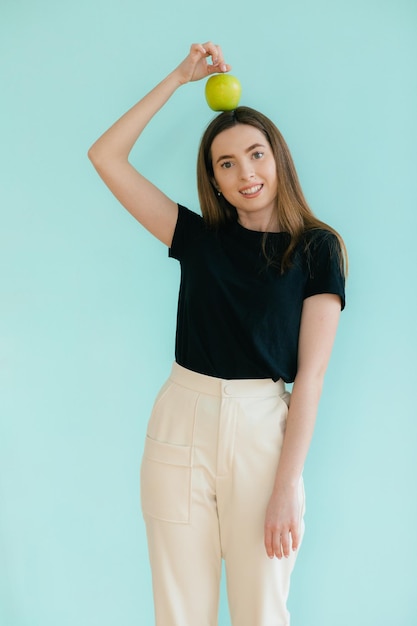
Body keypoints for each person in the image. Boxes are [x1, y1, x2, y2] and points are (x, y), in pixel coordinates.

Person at [88, 41, 346, 626]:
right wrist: (179, 77)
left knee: (261, 613)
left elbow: (313, 376)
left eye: (256, 154)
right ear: (215, 179)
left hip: (263, 433)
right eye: (226, 163)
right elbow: (105, 156)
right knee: (179, 615)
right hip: (182, 419)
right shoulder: (197, 239)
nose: (245, 173)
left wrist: (287, 485)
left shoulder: (317, 249)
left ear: (278, 158)